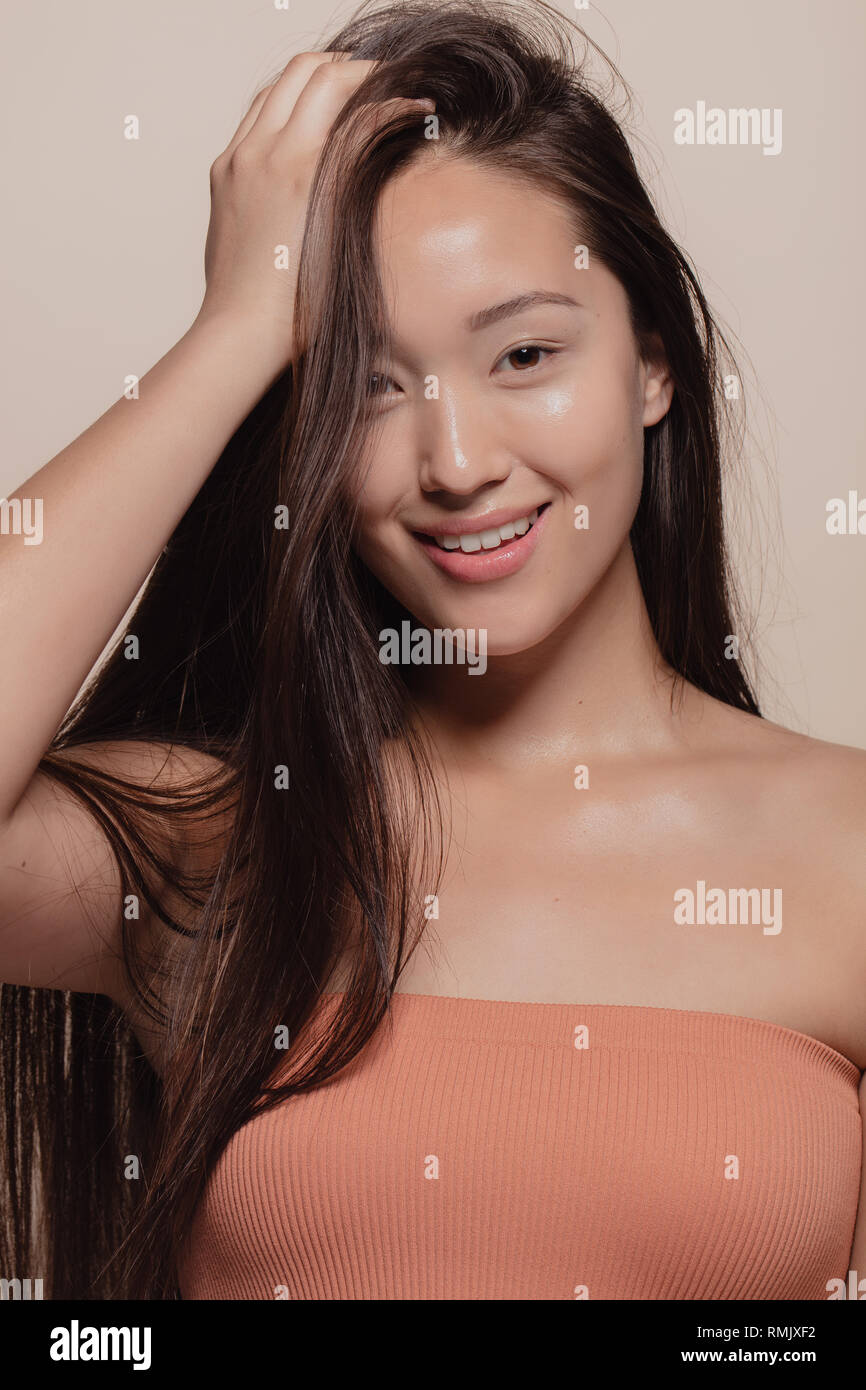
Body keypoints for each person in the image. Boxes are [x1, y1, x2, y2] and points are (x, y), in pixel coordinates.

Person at [1, 0, 863, 1301]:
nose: (456, 464)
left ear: (650, 364)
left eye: (524, 353)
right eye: (367, 385)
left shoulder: (846, 848)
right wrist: (236, 326)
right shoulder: (220, 842)